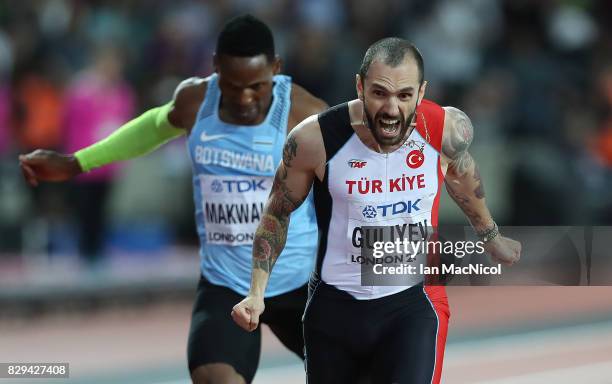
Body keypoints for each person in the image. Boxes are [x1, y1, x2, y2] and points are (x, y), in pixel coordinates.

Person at [19, 15, 327, 384]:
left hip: (299, 281)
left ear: (276, 69)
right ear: (215, 67)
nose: (245, 99)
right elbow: (152, 127)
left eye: (257, 87)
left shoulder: (306, 115)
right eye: (232, 86)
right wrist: (76, 163)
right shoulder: (195, 100)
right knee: (214, 379)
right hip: (226, 283)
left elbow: (350, 186)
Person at [232, 37, 521, 383]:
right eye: (379, 93)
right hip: (334, 309)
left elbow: (462, 175)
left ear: (421, 91)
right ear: (360, 86)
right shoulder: (315, 139)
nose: (392, 109)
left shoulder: (445, 129)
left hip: (413, 303)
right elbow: (277, 212)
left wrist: (489, 234)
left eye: (405, 95)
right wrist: (256, 291)